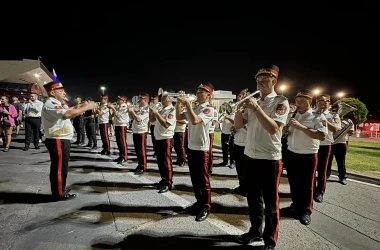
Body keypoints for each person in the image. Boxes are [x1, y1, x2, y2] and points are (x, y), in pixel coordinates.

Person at [234, 65, 289, 250]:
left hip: (269, 158)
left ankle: (270, 239)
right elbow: (239, 125)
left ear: (274, 81)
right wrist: (239, 106)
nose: (260, 83)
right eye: (258, 80)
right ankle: (254, 231)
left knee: (271, 203)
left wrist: (256, 107)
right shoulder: (253, 101)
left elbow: (274, 128)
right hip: (250, 156)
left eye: (265, 80)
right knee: (253, 200)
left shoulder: (281, 102)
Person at [41, 80, 97, 200]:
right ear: (52, 92)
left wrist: (82, 105)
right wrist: (87, 106)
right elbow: (67, 114)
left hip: (61, 138)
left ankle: (60, 188)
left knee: (61, 166)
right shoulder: (51, 103)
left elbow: (72, 109)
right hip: (57, 139)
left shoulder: (58, 102)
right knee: (60, 167)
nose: (64, 93)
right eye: (60, 91)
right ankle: (59, 193)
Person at [281, 89, 327, 226]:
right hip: (291, 153)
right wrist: (285, 130)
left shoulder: (317, 116)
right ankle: (295, 205)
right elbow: (287, 133)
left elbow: (321, 135)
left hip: (308, 155)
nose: (299, 103)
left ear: (310, 101)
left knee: (307, 185)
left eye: (303, 100)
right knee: (294, 183)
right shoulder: (292, 115)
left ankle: (306, 211)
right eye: (297, 100)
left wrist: (300, 127)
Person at [176, 81, 215, 222]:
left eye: (201, 92)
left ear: (208, 95)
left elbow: (195, 120)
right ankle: (199, 201)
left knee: (203, 179)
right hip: (192, 147)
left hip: (202, 148)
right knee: (194, 178)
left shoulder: (208, 109)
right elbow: (179, 118)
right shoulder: (196, 107)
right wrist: (177, 104)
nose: (198, 94)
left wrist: (187, 105)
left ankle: (206, 206)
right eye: (197, 92)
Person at [314, 94, 341, 203]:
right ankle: (311, 190)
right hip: (312, 144)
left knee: (322, 170)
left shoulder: (333, 115)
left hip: (325, 145)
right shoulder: (312, 113)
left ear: (329, 103)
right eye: (320, 101)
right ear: (317, 102)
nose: (323, 103)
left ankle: (320, 192)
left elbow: (335, 129)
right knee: (311, 170)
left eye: (326, 101)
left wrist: (325, 120)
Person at [150, 93, 176, 193]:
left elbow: (166, 124)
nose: (161, 99)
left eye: (164, 97)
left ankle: (168, 183)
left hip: (166, 138)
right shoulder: (161, 109)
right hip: (158, 137)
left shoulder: (172, 110)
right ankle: (164, 179)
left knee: (166, 162)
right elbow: (152, 120)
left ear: (169, 99)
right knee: (160, 161)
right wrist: (151, 112)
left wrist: (156, 114)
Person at [129, 92, 150, 174]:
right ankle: (139, 164)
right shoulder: (138, 107)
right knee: (137, 150)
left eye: (140, 99)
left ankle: (143, 166)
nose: (138, 100)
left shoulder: (147, 108)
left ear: (145, 100)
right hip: (136, 130)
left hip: (141, 131)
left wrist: (133, 112)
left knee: (142, 150)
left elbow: (138, 119)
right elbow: (132, 118)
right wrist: (130, 112)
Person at [108, 96, 129, 164]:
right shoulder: (118, 107)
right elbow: (113, 116)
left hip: (122, 125)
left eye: (119, 99)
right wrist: (111, 110)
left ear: (123, 100)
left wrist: (113, 108)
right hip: (117, 125)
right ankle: (121, 155)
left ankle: (124, 157)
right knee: (119, 142)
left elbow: (119, 115)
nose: (117, 100)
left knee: (122, 142)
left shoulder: (124, 107)